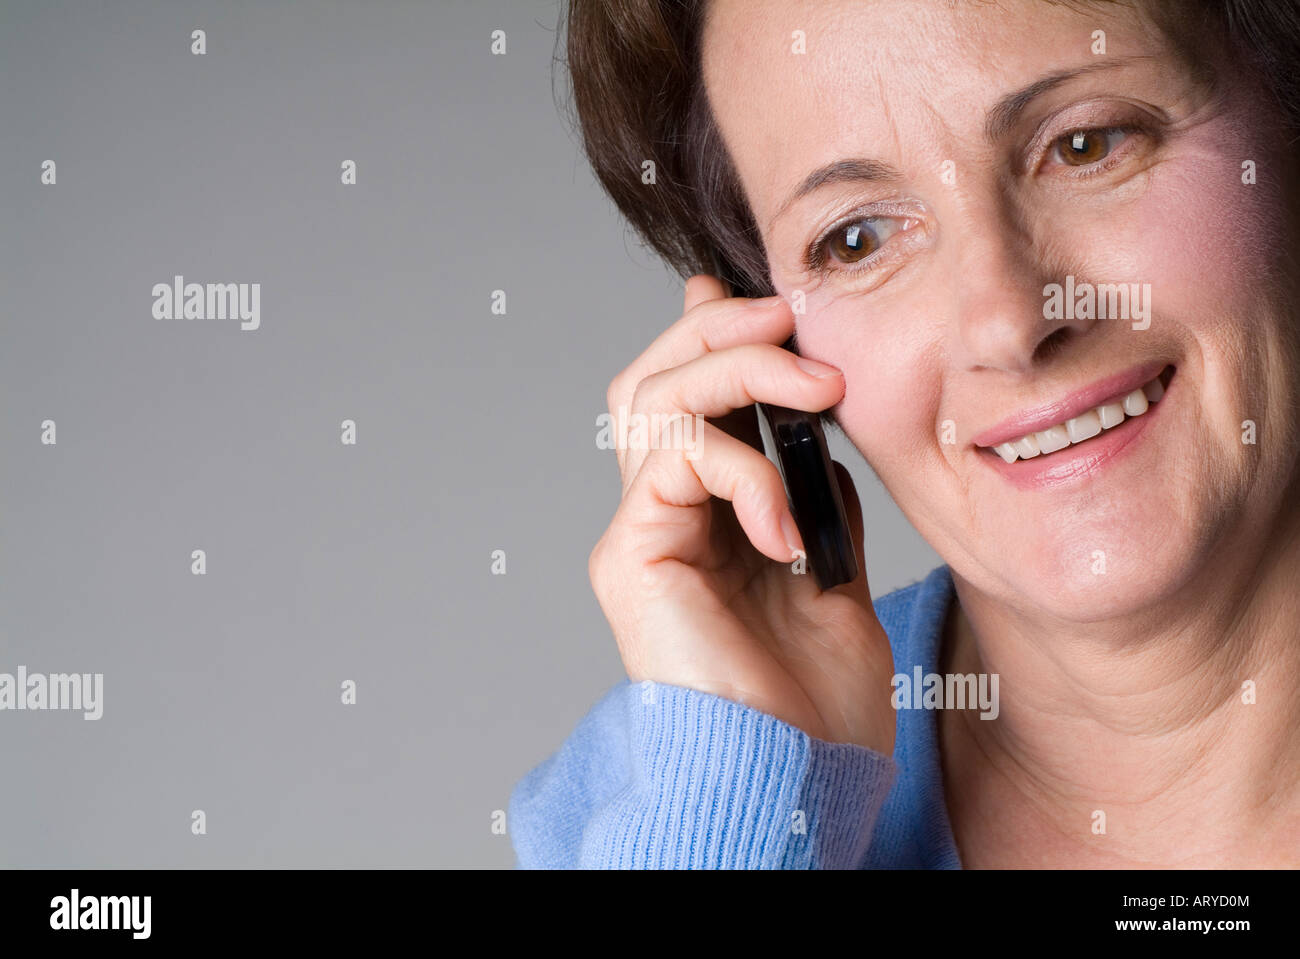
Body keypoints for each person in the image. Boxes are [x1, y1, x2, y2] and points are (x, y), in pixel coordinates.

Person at [510, 0, 1300, 867]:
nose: (1007, 322)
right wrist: (747, 812)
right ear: (766, 346)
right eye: (857, 238)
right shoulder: (644, 819)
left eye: (1086, 143)